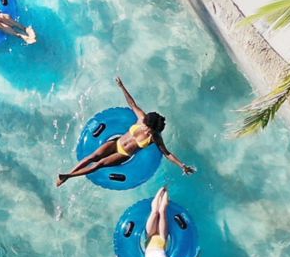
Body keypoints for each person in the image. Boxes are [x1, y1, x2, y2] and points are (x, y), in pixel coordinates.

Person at [56, 76, 196, 186]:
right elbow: (132, 104)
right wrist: (122, 86)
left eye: (148, 127)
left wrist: (182, 165)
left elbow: (167, 153)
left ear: (153, 129)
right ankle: (68, 174)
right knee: (93, 157)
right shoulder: (142, 119)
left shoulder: (155, 138)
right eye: (145, 124)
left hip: (123, 154)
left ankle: (68, 176)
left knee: (99, 164)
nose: (145, 127)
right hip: (116, 142)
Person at [125, 186, 199, 257]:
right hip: (162, 237)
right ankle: (165, 190)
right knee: (162, 211)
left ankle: (161, 190)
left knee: (155, 212)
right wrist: (196, 256)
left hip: (150, 236)